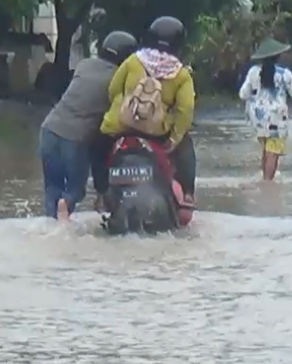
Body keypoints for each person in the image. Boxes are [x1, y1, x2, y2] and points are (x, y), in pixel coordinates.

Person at [98, 16, 197, 206]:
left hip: (120, 127)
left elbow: (113, 90)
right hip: (157, 133)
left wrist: (121, 113)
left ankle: (102, 193)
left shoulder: (133, 61)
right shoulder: (181, 74)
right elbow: (186, 110)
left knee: (98, 147)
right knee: (186, 145)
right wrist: (174, 139)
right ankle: (187, 195)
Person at [39, 30, 136, 221]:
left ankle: (53, 227)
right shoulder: (119, 79)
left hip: (48, 129)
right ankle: (65, 205)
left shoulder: (84, 65)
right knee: (75, 191)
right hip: (75, 138)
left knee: (53, 189)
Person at [238, 38, 292, 181]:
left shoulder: (253, 72)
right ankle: (268, 187)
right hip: (277, 119)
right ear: (278, 56)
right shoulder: (284, 74)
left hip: (258, 119)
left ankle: (264, 180)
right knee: (273, 152)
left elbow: (243, 94)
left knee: (266, 151)